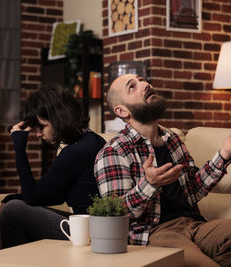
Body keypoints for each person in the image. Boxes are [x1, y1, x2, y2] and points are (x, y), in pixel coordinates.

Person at [95, 73, 231, 266]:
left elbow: (192, 191)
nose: (144, 84)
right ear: (122, 111)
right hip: (156, 233)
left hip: (196, 224)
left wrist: (224, 154)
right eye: (132, 86)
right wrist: (149, 184)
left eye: (142, 80)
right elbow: (116, 214)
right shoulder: (112, 152)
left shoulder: (171, 139)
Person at [0, 84, 106, 248]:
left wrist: (19, 146)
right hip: (89, 227)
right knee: (14, 205)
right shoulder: (92, 140)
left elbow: (33, 197)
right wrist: (12, 197)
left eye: (41, 127)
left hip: (88, 234)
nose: (38, 134)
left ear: (58, 117)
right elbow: (55, 196)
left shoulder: (74, 152)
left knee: (11, 211)